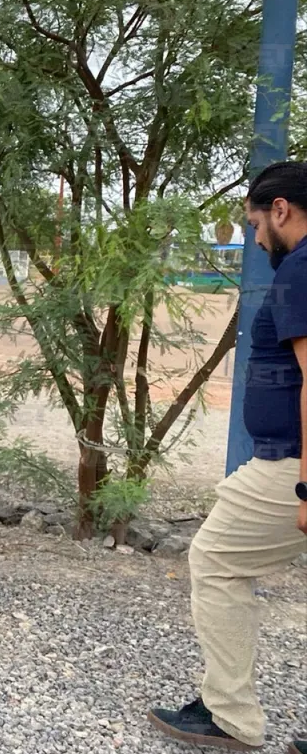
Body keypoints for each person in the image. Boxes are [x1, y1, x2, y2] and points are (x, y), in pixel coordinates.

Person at [148, 161, 307, 754]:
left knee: (214, 559)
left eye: (256, 224)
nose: (256, 237)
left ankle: (231, 717)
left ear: (281, 210)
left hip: (290, 462)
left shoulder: (300, 270)